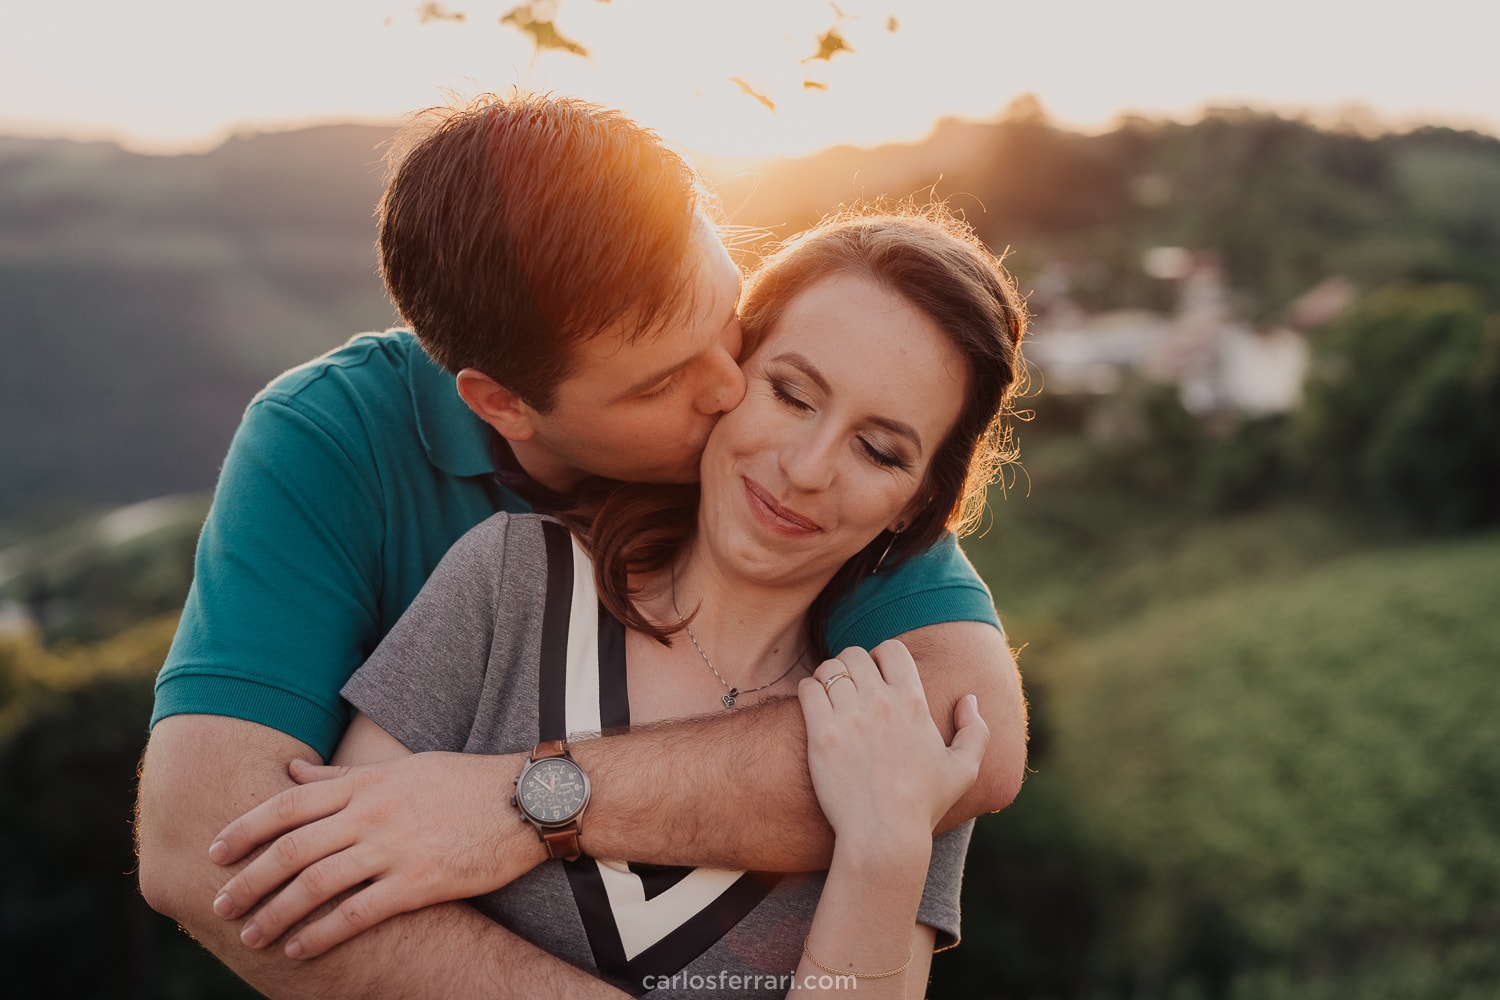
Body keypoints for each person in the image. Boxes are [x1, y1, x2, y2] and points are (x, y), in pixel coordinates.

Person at [135, 93, 1027, 999]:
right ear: (503, 406)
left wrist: (516, 804)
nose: (731, 390)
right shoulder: (443, 530)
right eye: (670, 380)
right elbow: (218, 852)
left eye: (728, 319)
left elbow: (967, 739)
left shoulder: (835, 580)